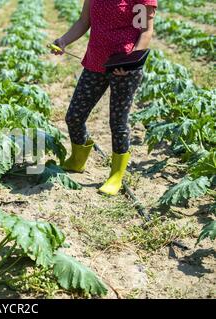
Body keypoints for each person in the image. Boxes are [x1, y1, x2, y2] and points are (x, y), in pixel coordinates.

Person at [51, 0, 157, 195]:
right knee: (74, 115)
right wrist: (64, 40)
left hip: (124, 68)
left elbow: (145, 31)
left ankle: (116, 175)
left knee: (118, 122)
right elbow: (84, 21)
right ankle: (77, 159)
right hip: (95, 62)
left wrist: (130, 61)